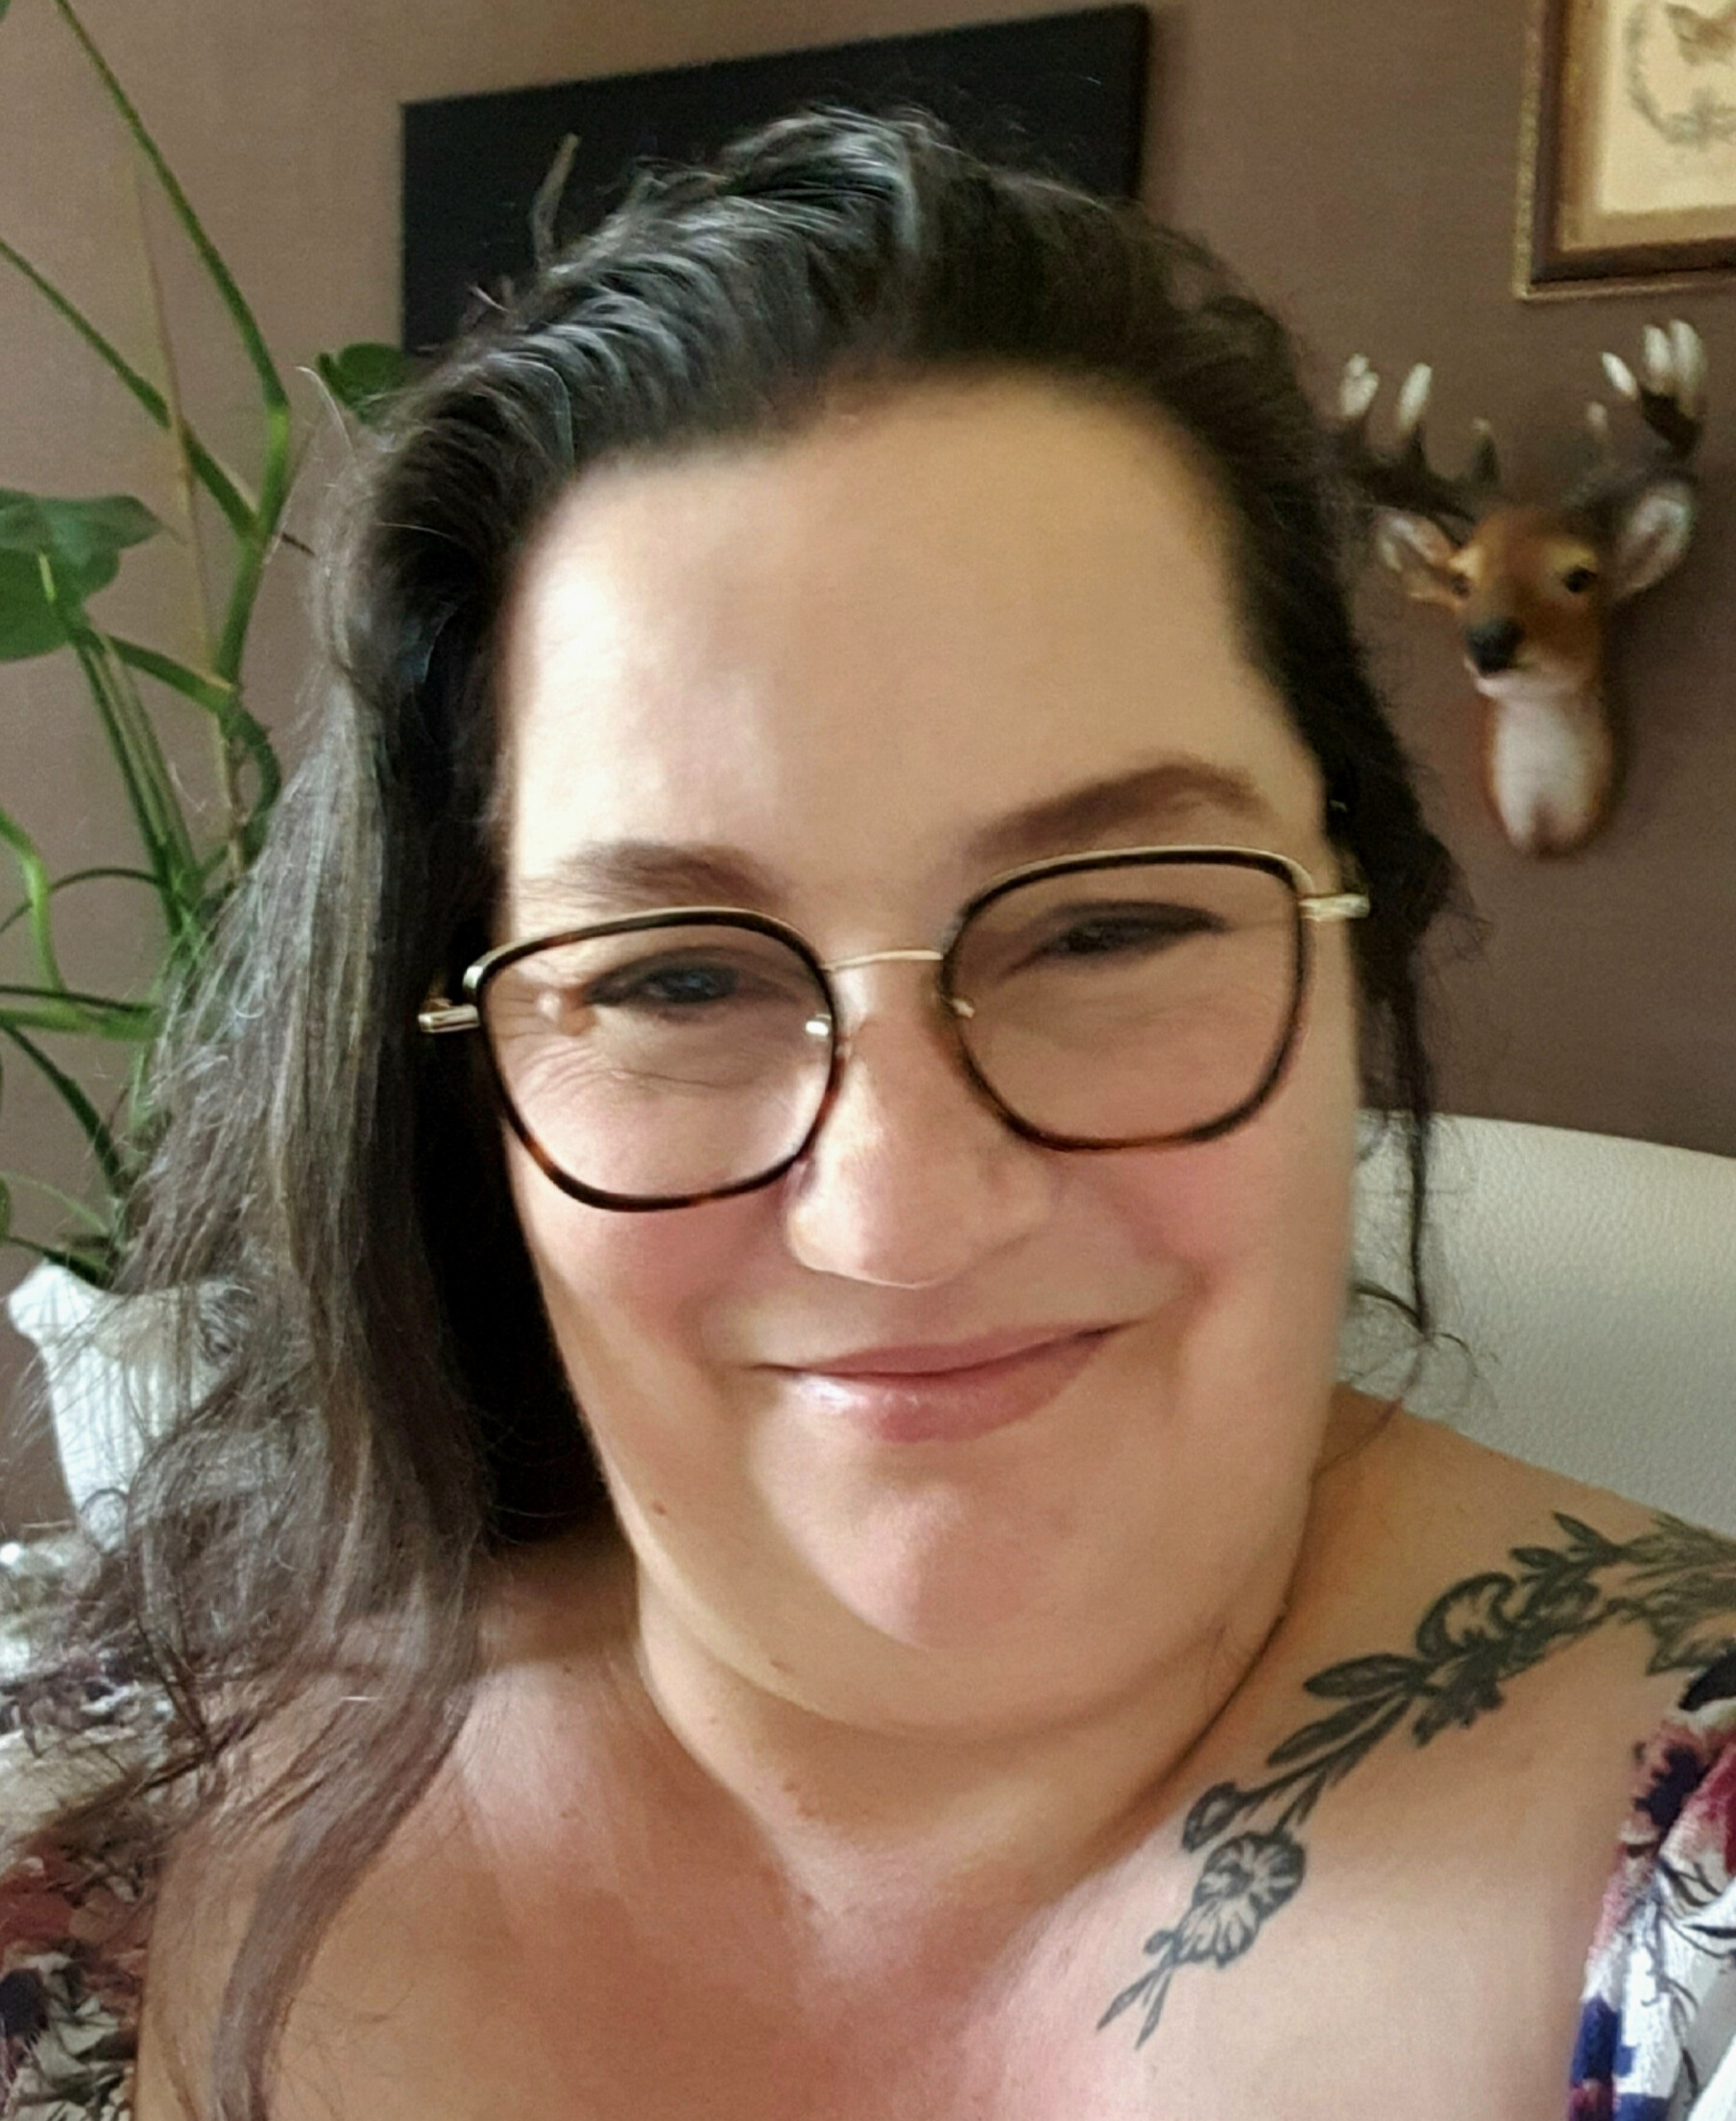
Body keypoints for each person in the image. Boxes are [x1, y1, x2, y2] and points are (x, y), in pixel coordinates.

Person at [2, 108, 1733, 2121]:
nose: (900, 1215)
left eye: (1106, 928)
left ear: (1358, 937)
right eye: (676, 976)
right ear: (463, 1061)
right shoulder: (84, 1802)